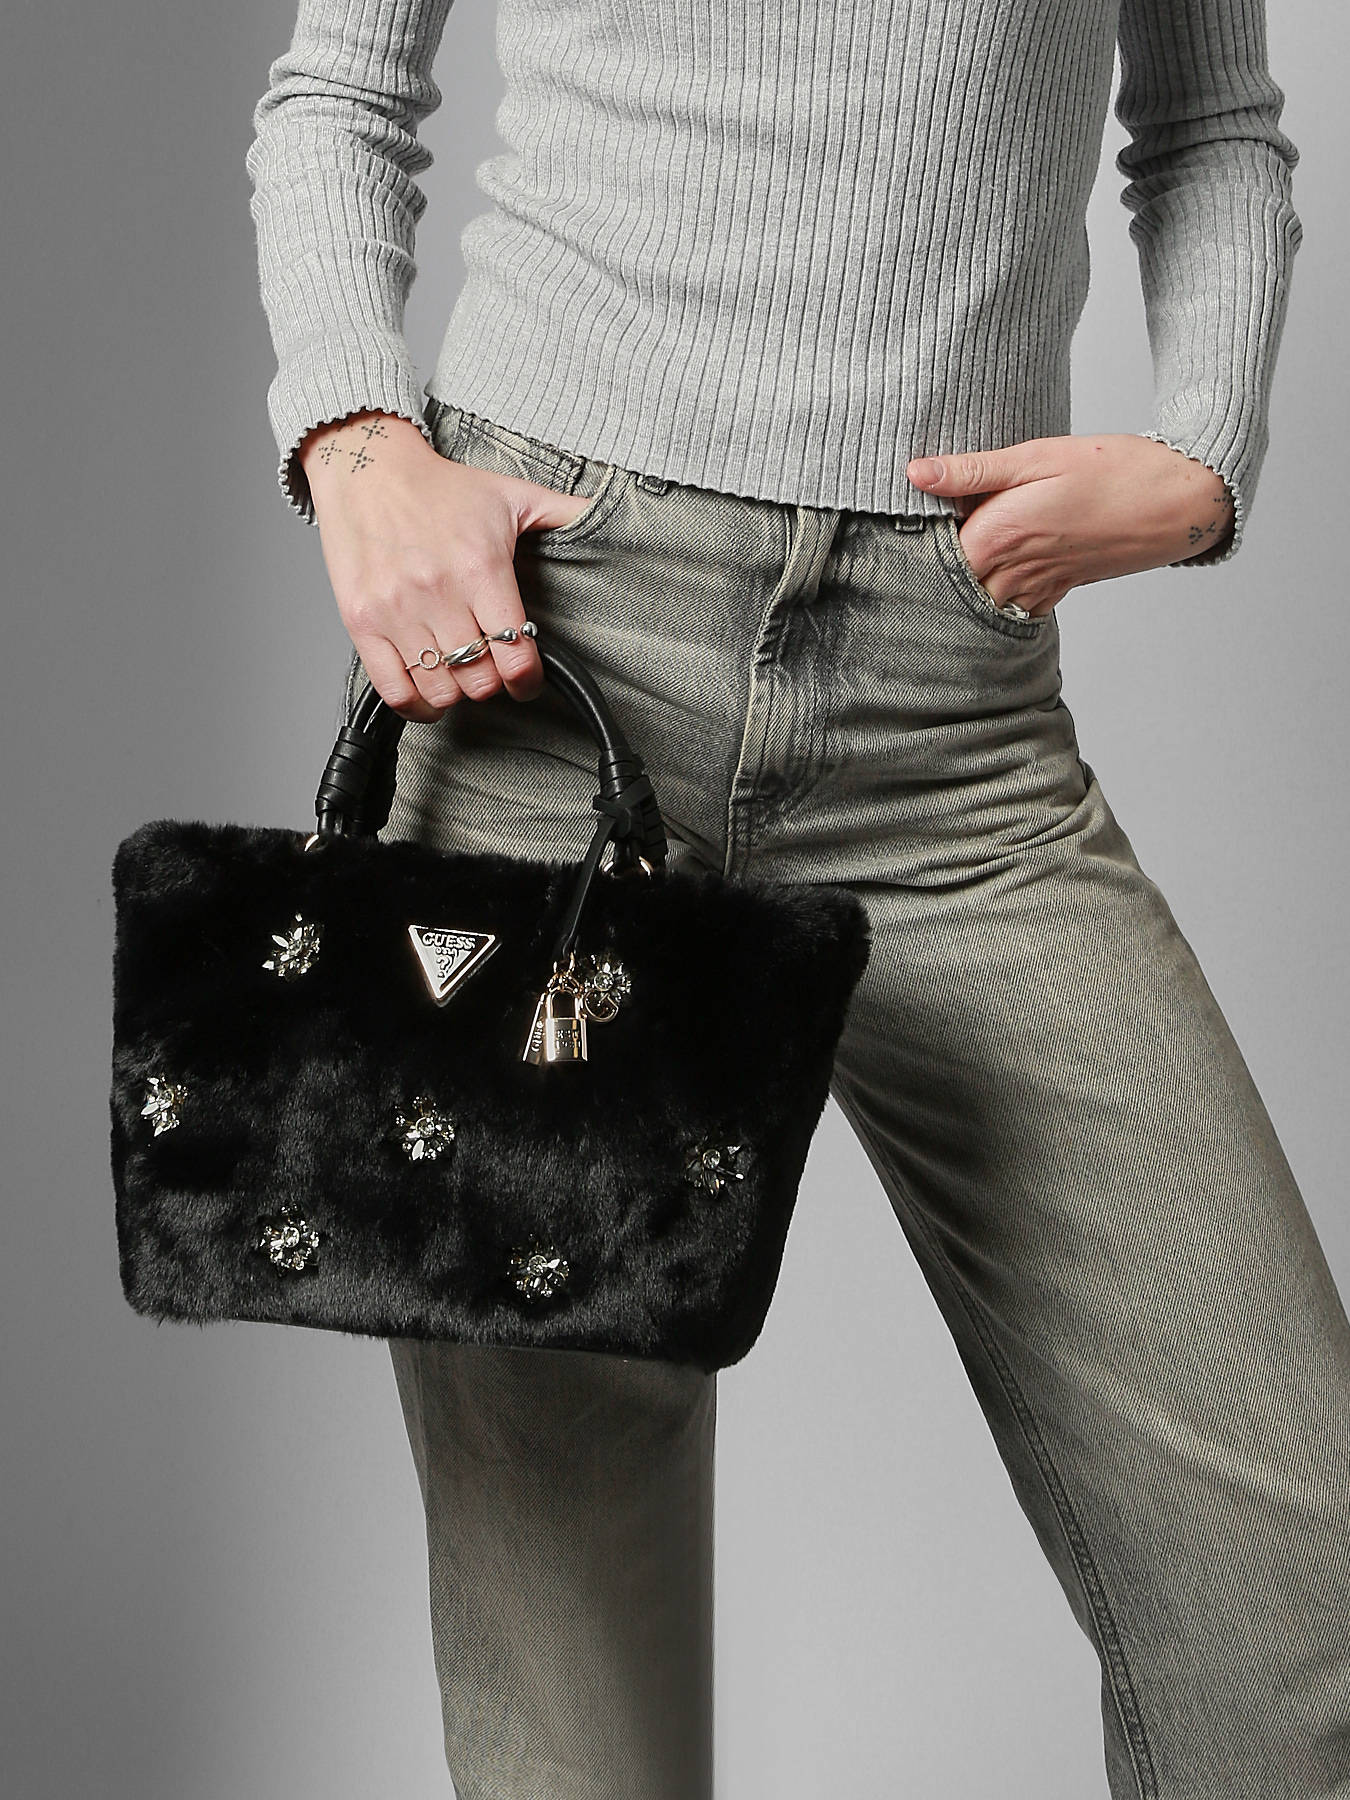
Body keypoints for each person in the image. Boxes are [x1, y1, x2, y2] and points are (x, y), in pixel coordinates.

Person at [246, 4, 1348, 1796]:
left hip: (951, 730)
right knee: (574, 1701)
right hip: (547, 671)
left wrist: (1203, 457)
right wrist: (354, 438)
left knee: (1300, 1616)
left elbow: (1211, 114)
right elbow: (341, 89)